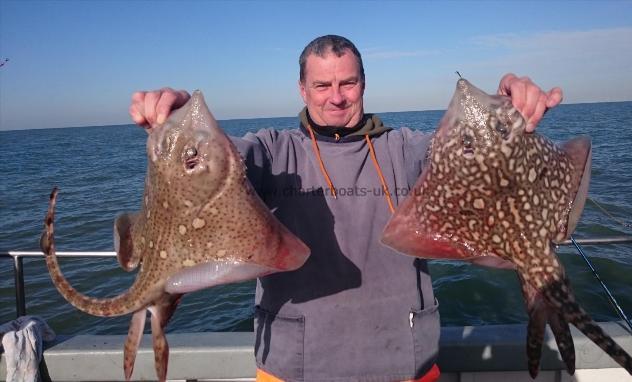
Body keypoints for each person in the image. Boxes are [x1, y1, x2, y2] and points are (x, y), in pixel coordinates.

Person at [129, 35, 562, 382]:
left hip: (405, 360)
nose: (336, 97)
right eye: (322, 85)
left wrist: (506, 111)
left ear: (364, 83)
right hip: (292, 365)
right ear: (302, 89)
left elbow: (462, 152)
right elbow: (217, 158)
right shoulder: (271, 151)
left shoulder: (406, 149)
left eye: (347, 83)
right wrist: (179, 119)